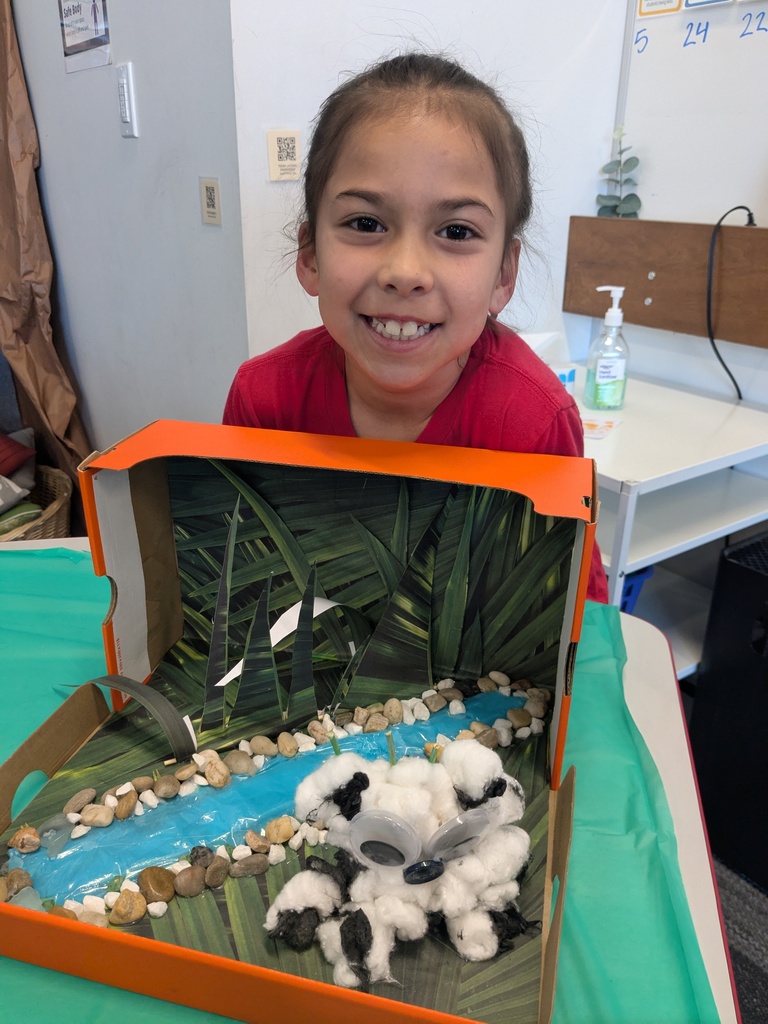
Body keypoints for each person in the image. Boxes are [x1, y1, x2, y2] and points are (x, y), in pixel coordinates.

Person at [223, 52, 608, 602]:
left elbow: (571, 622)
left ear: (504, 274)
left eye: (455, 231)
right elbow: (241, 586)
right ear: (309, 254)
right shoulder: (265, 403)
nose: (405, 273)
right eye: (365, 223)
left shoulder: (531, 426)